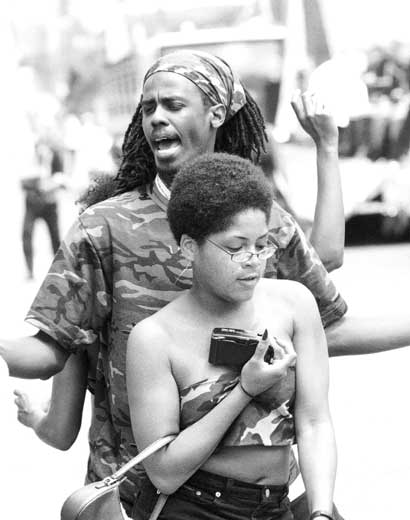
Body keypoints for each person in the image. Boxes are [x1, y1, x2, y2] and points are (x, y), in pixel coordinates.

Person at [0, 49, 408, 516]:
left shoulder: (258, 219)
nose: (156, 118)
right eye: (148, 108)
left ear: (217, 113)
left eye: (172, 106)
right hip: (144, 491)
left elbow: (322, 301)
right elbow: (51, 346)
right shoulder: (104, 227)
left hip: (261, 495)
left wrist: (328, 152)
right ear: (189, 246)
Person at [127, 152, 337, 520]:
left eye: (261, 245)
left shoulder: (293, 304)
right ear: (190, 247)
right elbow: (164, 471)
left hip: (277, 506)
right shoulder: (154, 338)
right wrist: (244, 390)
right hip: (193, 507)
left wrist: (320, 512)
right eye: (236, 248)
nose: (253, 260)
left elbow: (315, 422)